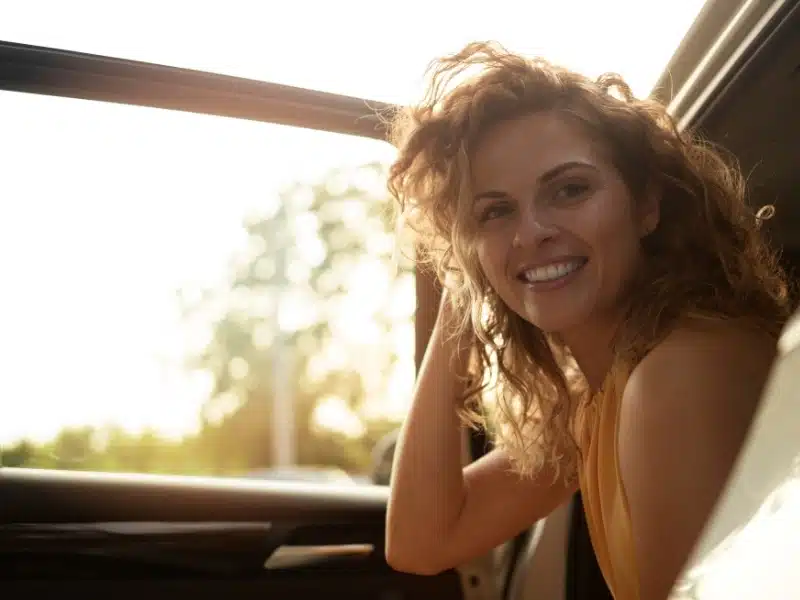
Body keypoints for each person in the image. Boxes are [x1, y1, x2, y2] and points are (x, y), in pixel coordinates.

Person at [383, 42, 791, 600]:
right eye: (496, 211)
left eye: (569, 189)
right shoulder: (598, 398)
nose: (531, 234)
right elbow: (421, 542)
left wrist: (489, 251)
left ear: (646, 203)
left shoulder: (681, 371)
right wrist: (467, 276)